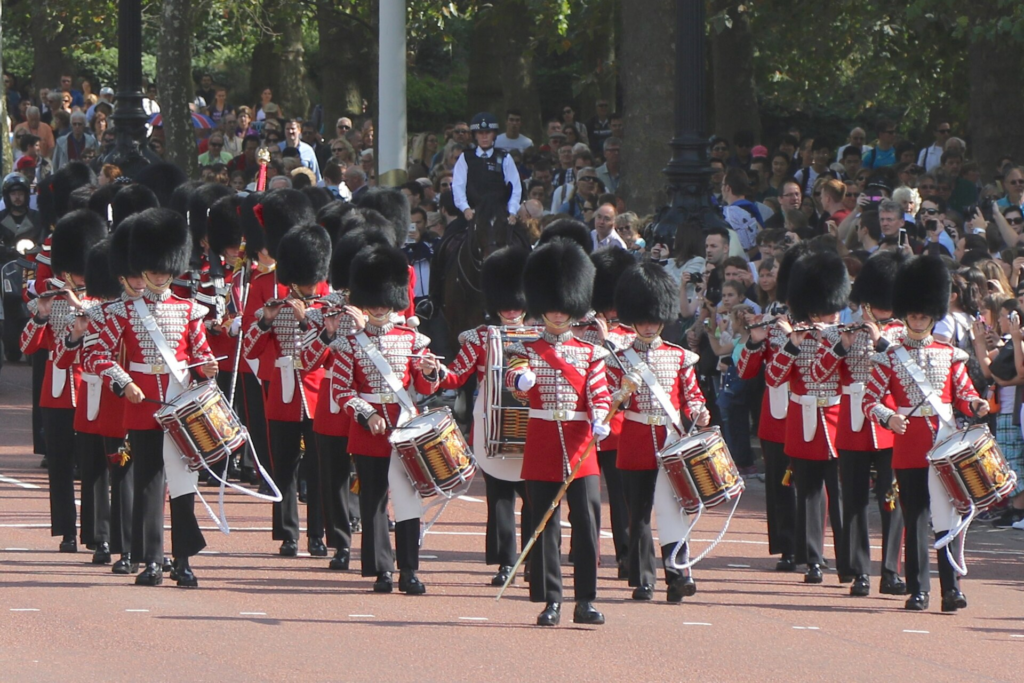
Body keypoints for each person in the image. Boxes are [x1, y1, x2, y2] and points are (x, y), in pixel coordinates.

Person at [83, 208, 216, 587]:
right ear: (141, 268)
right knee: (148, 483)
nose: (159, 275)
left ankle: (184, 560)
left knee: (184, 483)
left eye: (165, 269)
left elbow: (199, 351)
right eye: (154, 269)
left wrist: (208, 368)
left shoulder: (189, 309)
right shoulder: (121, 311)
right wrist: (124, 382)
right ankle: (152, 559)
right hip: (142, 405)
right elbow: (97, 355)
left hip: (181, 404)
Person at [863, 255, 988, 612]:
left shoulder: (949, 355)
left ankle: (951, 588)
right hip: (910, 445)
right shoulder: (889, 357)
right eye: (913, 314)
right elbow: (870, 400)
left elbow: (963, 393)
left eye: (923, 314)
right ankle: (918, 589)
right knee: (915, 517)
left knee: (949, 518)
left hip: (945, 443)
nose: (918, 320)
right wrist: (889, 418)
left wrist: (976, 404)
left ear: (933, 314)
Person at [504, 239, 611, 626]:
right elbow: (515, 381)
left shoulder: (589, 351)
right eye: (551, 305)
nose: (557, 312)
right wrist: (523, 378)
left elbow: (598, 391)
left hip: (581, 443)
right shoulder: (527, 348)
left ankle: (585, 599)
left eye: (564, 306)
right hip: (544, 440)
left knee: (586, 523)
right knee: (544, 524)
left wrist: (601, 417)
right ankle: (551, 599)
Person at [332, 244, 440, 594]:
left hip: (405, 425)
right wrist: (365, 415)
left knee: (408, 499)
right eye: (373, 300)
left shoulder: (411, 339)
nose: (379, 307)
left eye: (384, 299)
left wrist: (429, 371)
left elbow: (423, 385)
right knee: (374, 500)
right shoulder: (350, 343)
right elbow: (341, 390)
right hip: (370, 429)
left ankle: (408, 568)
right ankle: (381, 568)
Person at [607, 261, 708, 601]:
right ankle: (643, 577)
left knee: (672, 510)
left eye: (653, 318)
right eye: (643, 319)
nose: (648, 325)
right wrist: (622, 392)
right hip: (635, 440)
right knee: (638, 515)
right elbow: (607, 403)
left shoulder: (679, 357)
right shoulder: (617, 359)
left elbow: (692, 396)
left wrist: (699, 412)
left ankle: (678, 575)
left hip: (670, 439)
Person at [811, 251, 908, 597]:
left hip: (889, 423)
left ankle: (892, 570)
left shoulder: (903, 333)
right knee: (853, 501)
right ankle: (858, 571)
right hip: (852, 424)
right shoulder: (842, 331)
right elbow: (817, 374)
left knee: (891, 499)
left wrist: (881, 341)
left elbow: (908, 372)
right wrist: (841, 346)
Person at [436, 246, 532, 586]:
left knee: (534, 496)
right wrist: (432, 371)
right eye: (505, 303)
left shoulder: (542, 339)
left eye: (517, 302)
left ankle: (535, 557)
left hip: (532, 429)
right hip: (492, 429)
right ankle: (506, 562)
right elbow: (455, 376)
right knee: (500, 497)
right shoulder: (479, 337)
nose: (510, 309)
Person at [242, 195, 328, 557]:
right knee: (284, 464)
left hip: (318, 388)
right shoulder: (266, 288)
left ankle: (318, 534)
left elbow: (332, 344)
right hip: (283, 387)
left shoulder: (324, 294)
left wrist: (308, 318)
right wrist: (267, 320)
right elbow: (249, 347)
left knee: (320, 465)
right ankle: (289, 533)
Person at [21, 210, 108, 554]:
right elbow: (27, 345)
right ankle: (67, 530)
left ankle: (96, 531)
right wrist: (41, 314)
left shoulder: (101, 301)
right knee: (59, 463)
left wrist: (81, 305)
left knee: (92, 463)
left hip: (90, 388)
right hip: (56, 390)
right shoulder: (53, 299)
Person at [765, 249, 851, 584]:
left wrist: (842, 346)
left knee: (838, 492)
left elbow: (852, 377)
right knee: (809, 492)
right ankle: (813, 559)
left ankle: (846, 559)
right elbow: (774, 377)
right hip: (803, 419)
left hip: (837, 416)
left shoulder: (846, 333)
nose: (824, 318)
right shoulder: (793, 337)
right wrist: (792, 346)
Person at [574, 248, 637, 578]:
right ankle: (585, 552)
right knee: (583, 498)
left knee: (621, 496)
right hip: (584, 424)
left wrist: (607, 338)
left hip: (618, 426)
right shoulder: (581, 330)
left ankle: (626, 554)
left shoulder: (631, 334)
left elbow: (633, 374)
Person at [452, 112, 522, 223]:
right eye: (480, 133)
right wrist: (465, 208)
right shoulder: (465, 157)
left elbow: (515, 188)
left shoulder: (505, 157)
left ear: (494, 134)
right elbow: (458, 186)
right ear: (475, 135)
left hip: (500, 215)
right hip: (472, 214)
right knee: (449, 236)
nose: (484, 137)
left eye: (488, 132)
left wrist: (512, 211)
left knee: (522, 238)